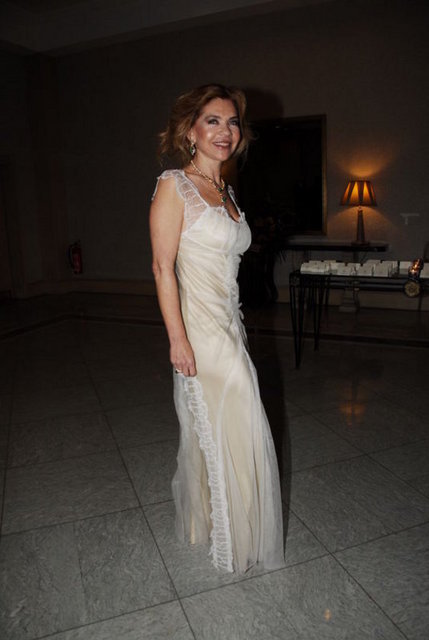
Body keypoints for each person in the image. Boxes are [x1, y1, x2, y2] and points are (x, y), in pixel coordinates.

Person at [149, 84, 284, 574]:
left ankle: (218, 524)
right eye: (213, 120)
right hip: (200, 330)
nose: (225, 131)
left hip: (231, 323)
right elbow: (162, 267)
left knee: (226, 423)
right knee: (240, 413)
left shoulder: (225, 190)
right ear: (190, 131)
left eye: (232, 122)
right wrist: (177, 339)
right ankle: (236, 540)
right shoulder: (174, 185)